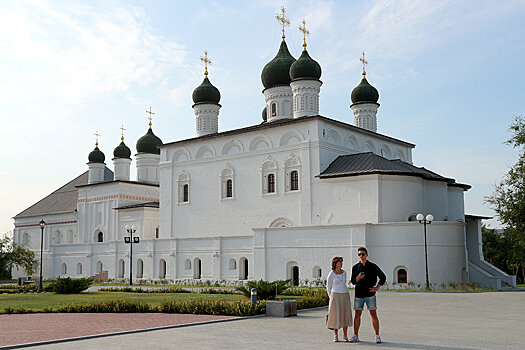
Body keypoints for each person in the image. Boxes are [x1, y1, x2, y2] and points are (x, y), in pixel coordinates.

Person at [349, 247, 386, 344]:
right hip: (359, 294)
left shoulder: (373, 266)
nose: (361, 256)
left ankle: (377, 336)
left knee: (373, 314)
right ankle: (355, 335)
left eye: (363, 254)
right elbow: (353, 282)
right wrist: (358, 277)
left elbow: (383, 277)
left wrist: (376, 288)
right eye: (359, 254)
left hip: (370, 294)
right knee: (357, 315)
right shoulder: (355, 267)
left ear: (367, 255)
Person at [326, 256, 352, 342]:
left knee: (345, 314)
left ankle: (345, 335)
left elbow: (344, 282)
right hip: (335, 295)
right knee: (335, 315)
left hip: (344, 294)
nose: (341, 263)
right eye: (339, 262)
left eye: (342, 262)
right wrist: (331, 297)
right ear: (335, 263)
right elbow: (328, 286)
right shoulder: (331, 274)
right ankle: (335, 335)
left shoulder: (344, 272)